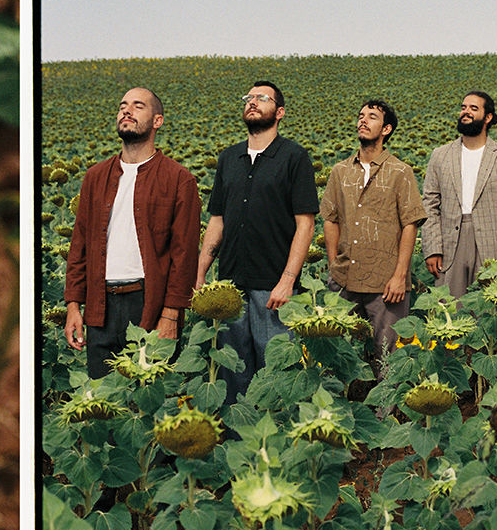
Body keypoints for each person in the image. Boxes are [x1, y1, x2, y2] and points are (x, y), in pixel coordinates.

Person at [64, 87, 200, 379]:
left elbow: (185, 255)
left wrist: (171, 315)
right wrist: (74, 305)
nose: (126, 111)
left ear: (157, 121)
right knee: (102, 392)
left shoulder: (179, 180)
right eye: (123, 105)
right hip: (100, 306)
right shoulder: (95, 177)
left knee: (149, 399)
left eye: (138, 106)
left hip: (147, 304)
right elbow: (80, 245)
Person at [196, 81, 318, 403]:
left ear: (279, 113)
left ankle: (276, 444)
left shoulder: (294, 157)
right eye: (248, 97)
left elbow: (305, 224)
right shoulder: (229, 158)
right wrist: (200, 272)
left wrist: (288, 280)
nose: (252, 102)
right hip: (231, 286)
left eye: (261, 98)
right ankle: (240, 444)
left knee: (275, 372)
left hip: (272, 288)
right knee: (234, 372)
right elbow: (217, 220)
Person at [320, 99, 427, 364]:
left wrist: (401, 275)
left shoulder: (401, 172)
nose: (363, 121)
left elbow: (410, 224)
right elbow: (330, 219)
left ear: (386, 129)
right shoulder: (340, 171)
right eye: (360, 116)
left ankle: (384, 408)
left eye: (372, 117)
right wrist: (334, 264)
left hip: (385, 284)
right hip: (344, 280)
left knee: (387, 360)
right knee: (337, 356)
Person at [422, 90, 497, 298]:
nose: (465, 112)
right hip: (450, 245)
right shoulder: (440, 155)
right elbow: (429, 205)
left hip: (491, 247)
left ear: (488, 118)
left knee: (488, 311)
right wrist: (432, 248)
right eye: (463, 107)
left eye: (473, 108)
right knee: (448, 309)